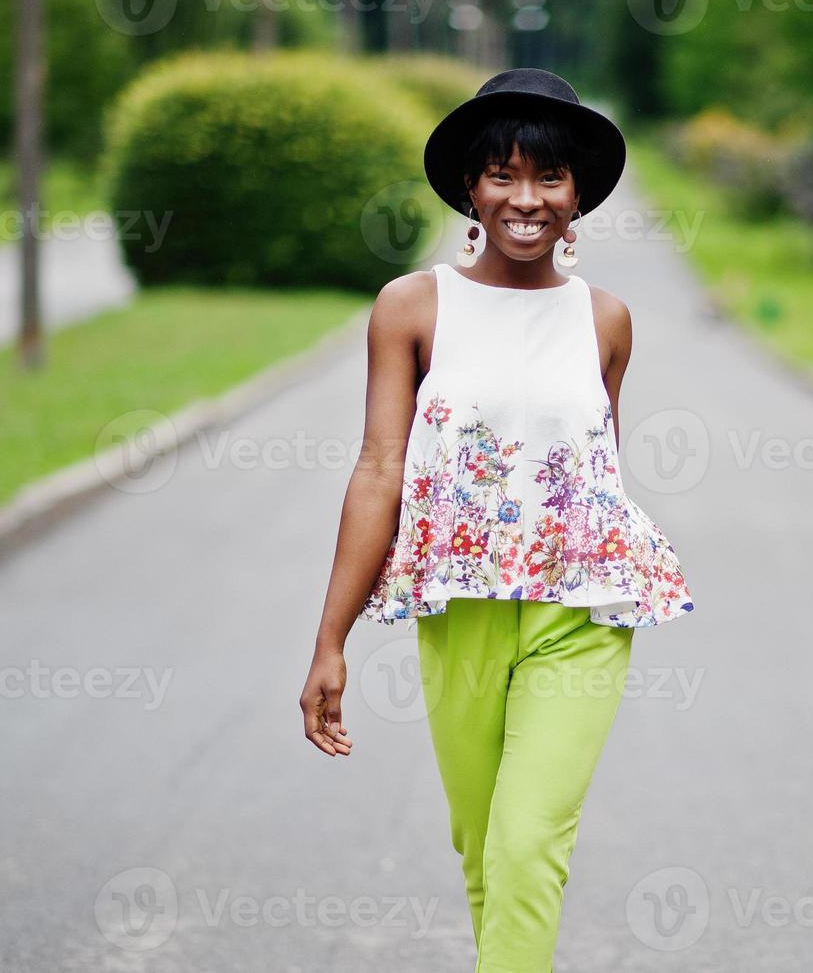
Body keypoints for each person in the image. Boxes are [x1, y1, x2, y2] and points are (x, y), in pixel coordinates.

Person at [300, 67, 695, 972]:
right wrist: (332, 639)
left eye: (549, 179)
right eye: (504, 176)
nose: (527, 199)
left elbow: (597, 468)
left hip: (580, 615)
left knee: (526, 847)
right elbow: (379, 469)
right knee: (483, 849)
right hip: (460, 607)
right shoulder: (412, 306)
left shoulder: (606, 321)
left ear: (577, 195)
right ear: (471, 188)